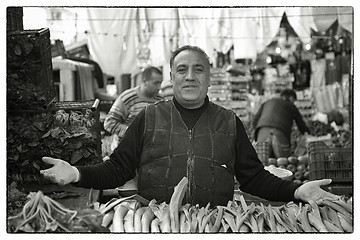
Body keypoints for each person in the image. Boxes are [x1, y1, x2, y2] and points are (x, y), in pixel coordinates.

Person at [40, 45, 338, 208]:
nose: (190, 76)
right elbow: (117, 169)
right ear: (172, 78)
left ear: (209, 78)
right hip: (155, 222)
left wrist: (298, 190)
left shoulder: (229, 121)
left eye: (199, 69)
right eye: (182, 70)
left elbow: (255, 179)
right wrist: (76, 173)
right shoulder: (148, 118)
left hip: (214, 224)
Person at [104, 66, 163, 140]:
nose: (159, 87)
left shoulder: (160, 100)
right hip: (127, 148)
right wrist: (132, 133)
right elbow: (109, 123)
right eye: (156, 83)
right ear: (144, 82)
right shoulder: (127, 98)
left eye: (160, 83)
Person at [252, 89, 310, 158]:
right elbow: (301, 126)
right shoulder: (291, 106)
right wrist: (308, 133)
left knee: (262, 163)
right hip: (279, 134)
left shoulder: (267, 103)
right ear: (291, 98)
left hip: (262, 133)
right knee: (283, 163)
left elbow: (254, 122)